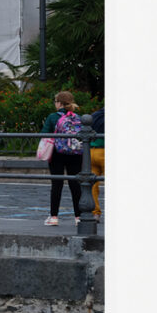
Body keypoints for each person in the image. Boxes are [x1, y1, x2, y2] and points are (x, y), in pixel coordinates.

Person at [44, 91, 91, 223]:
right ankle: (78, 217)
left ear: (59, 103)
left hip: (57, 153)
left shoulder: (53, 117)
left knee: (57, 184)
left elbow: (44, 133)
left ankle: (54, 217)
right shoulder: (79, 117)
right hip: (75, 153)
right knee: (75, 184)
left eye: (55, 102)